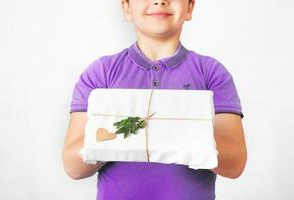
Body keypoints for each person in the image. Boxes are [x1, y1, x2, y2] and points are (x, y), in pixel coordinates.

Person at [62, 0, 247, 199]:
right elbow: (74, 167)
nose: (160, 1)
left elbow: (235, 164)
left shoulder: (211, 73)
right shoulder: (101, 74)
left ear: (190, 7)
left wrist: (178, 126)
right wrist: (125, 131)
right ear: (126, 7)